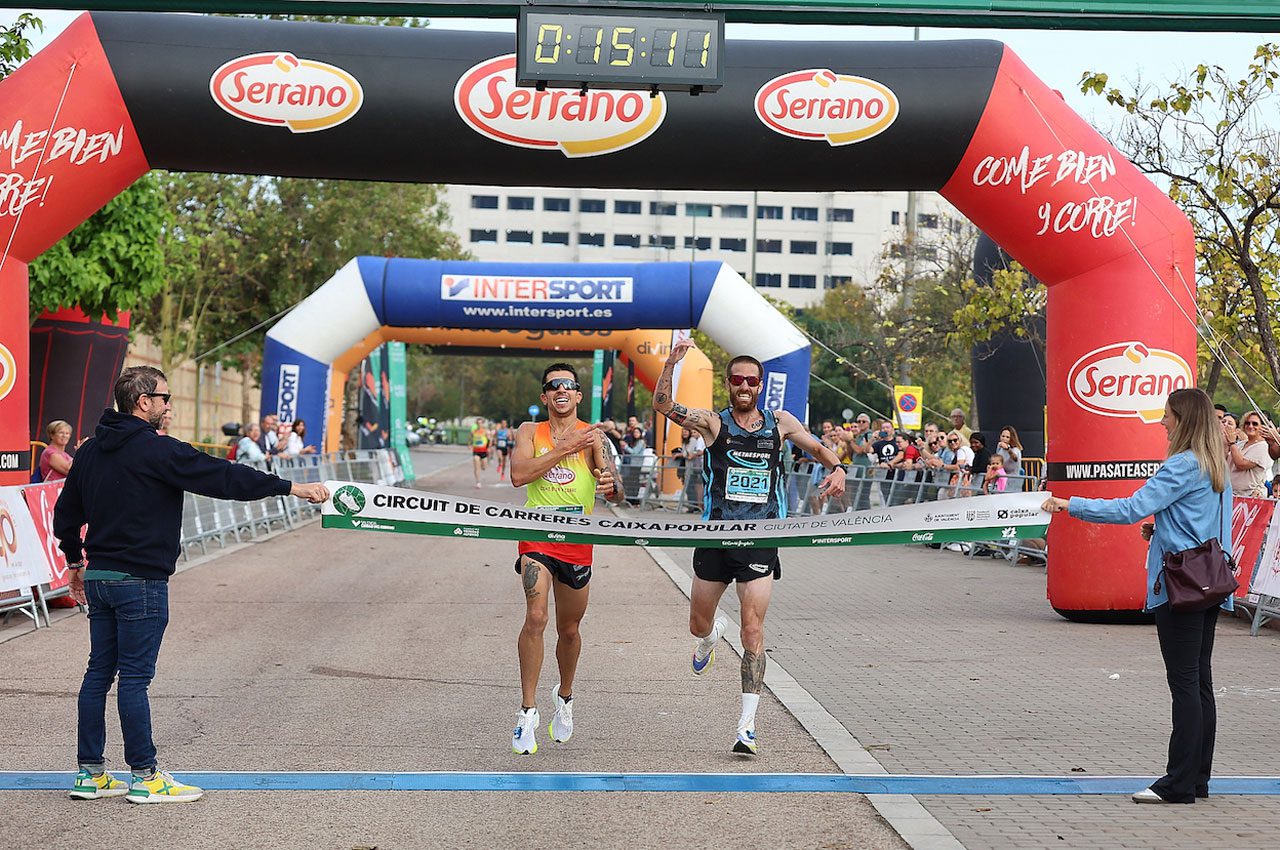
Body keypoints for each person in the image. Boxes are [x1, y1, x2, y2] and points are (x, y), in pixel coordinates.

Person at [54, 366, 329, 804]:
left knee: (97, 675)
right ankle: (145, 777)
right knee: (134, 681)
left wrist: (74, 562)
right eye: (164, 397)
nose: (169, 405)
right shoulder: (155, 450)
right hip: (139, 580)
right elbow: (224, 477)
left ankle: (90, 774)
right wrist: (293, 487)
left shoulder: (89, 452)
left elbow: (65, 514)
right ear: (143, 402)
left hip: (101, 576)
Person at [654, 338, 846, 755]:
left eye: (752, 380)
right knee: (698, 624)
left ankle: (747, 726)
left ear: (760, 386)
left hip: (762, 539)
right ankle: (709, 638)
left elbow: (816, 447)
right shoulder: (713, 423)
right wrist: (670, 363)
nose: (744, 386)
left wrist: (839, 468)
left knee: (753, 629)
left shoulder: (780, 423)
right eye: (737, 379)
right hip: (716, 539)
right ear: (728, 384)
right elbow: (665, 406)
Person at [1042, 387, 1231, 805]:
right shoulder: (1215, 465)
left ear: (1183, 420)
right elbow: (1212, 528)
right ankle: (1198, 778)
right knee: (1200, 683)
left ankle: (1177, 783)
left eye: (1166, 415)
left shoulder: (1180, 465)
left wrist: (1068, 504)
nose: (1162, 422)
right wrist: (1160, 529)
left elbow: (1130, 507)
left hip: (1179, 586)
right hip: (1211, 581)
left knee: (1183, 684)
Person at [508, 364, 624, 755]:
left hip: (577, 541)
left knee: (569, 629)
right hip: (536, 537)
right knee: (536, 617)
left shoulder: (594, 436)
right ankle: (527, 712)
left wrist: (611, 486)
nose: (561, 389)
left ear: (577, 395)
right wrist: (561, 449)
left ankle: (565, 697)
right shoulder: (529, 432)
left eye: (568, 385)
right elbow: (519, 475)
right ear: (545, 397)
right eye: (553, 385)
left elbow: (616, 489)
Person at [1227, 410, 1270, 497]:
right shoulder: (1240, 444)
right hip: (1230, 493)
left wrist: (1231, 443)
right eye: (1247, 423)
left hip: (1249, 497)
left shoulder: (1264, 446)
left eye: (1255, 424)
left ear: (1262, 426)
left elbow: (1241, 464)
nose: (1250, 426)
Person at [470, 418, 491, 488]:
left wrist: (488, 448)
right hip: (476, 451)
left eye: (481, 423)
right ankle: (478, 482)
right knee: (476, 466)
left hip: (483, 451)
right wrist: (469, 445)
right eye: (478, 423)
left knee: (484, 467)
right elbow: (470, 439)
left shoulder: (485, 431)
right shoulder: (474, 431)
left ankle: (483, 465)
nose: (479, 425)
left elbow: (489, 440)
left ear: (483, 424)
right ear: (476, 424)